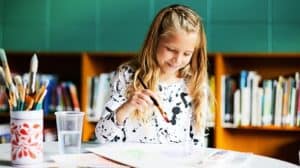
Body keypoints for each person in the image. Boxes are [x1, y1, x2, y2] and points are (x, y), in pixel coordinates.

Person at [95, 4, 209, 147]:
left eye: (187, 54)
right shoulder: (128, 76)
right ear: (155, 41)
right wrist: (128, 106)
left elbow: (197, 144)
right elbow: (102, 136)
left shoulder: (194, 83)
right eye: (171, 50)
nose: (178, 60)